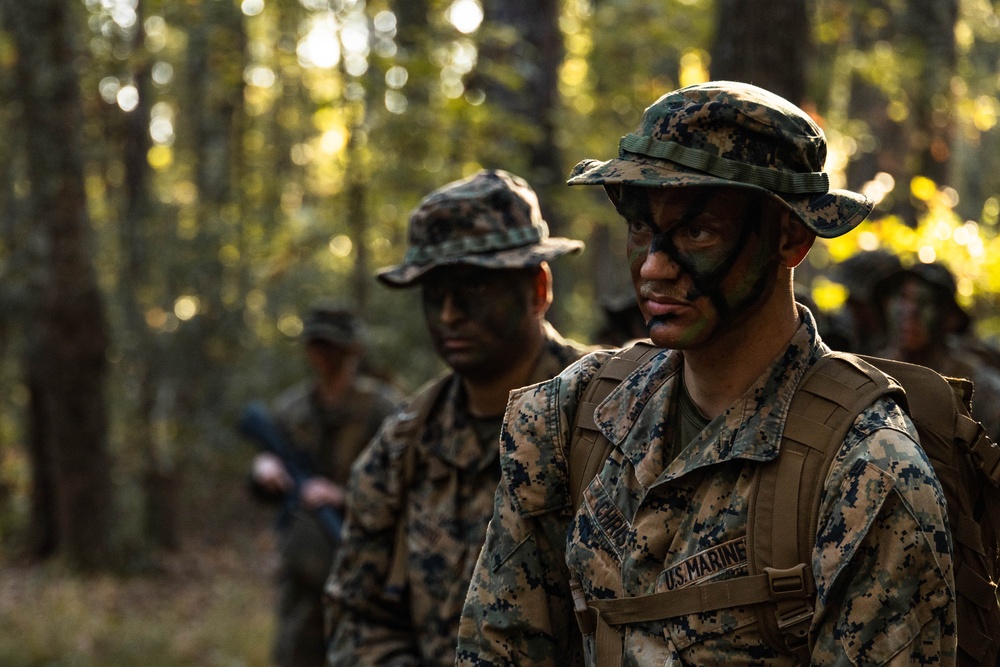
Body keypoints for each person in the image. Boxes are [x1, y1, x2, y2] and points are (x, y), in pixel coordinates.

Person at [457, 82, 956, 665]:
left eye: (697, 232)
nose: (653, 266)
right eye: (641, 229)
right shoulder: (569, 418)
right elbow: (499, 648)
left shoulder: (867, 471)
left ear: (789, 237)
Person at [324, 169, 593, 667]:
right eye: (435, 292)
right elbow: (357, 619)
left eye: (475, 287)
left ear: (538, 288)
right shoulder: (404, 445)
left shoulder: (612, 414)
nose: (449, 314)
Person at [248, 304, 401, 667]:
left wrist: (345, 498)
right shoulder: (291, 409)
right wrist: (263, 469)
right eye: (316, 344)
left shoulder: (383, 408)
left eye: (332, 346)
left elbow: (409, 485)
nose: (322, 354)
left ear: (353, 351)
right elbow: (266, 487)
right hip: (303, 565)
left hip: (368, 563)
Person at [874, 260, 1000, 442]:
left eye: (925, 302)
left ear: (950, 318)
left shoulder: (979, 386)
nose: (910, 311)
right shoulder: (868, 370)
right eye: (902, 298)